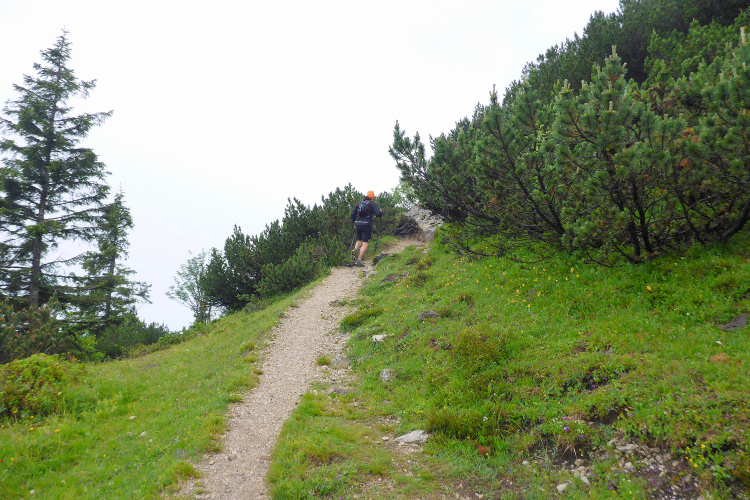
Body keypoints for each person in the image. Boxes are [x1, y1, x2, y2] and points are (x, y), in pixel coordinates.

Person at [350, 190, 384, 267]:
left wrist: (354, 223)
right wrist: (381, 212)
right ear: (373, 196)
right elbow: (378, 213)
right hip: (366, 225)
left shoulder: (359, 203)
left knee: (359, 240)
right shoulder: (372, 203)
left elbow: (353, 214)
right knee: (365, 242)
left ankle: (355, 250)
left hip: (357, 224)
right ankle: (359, 260)